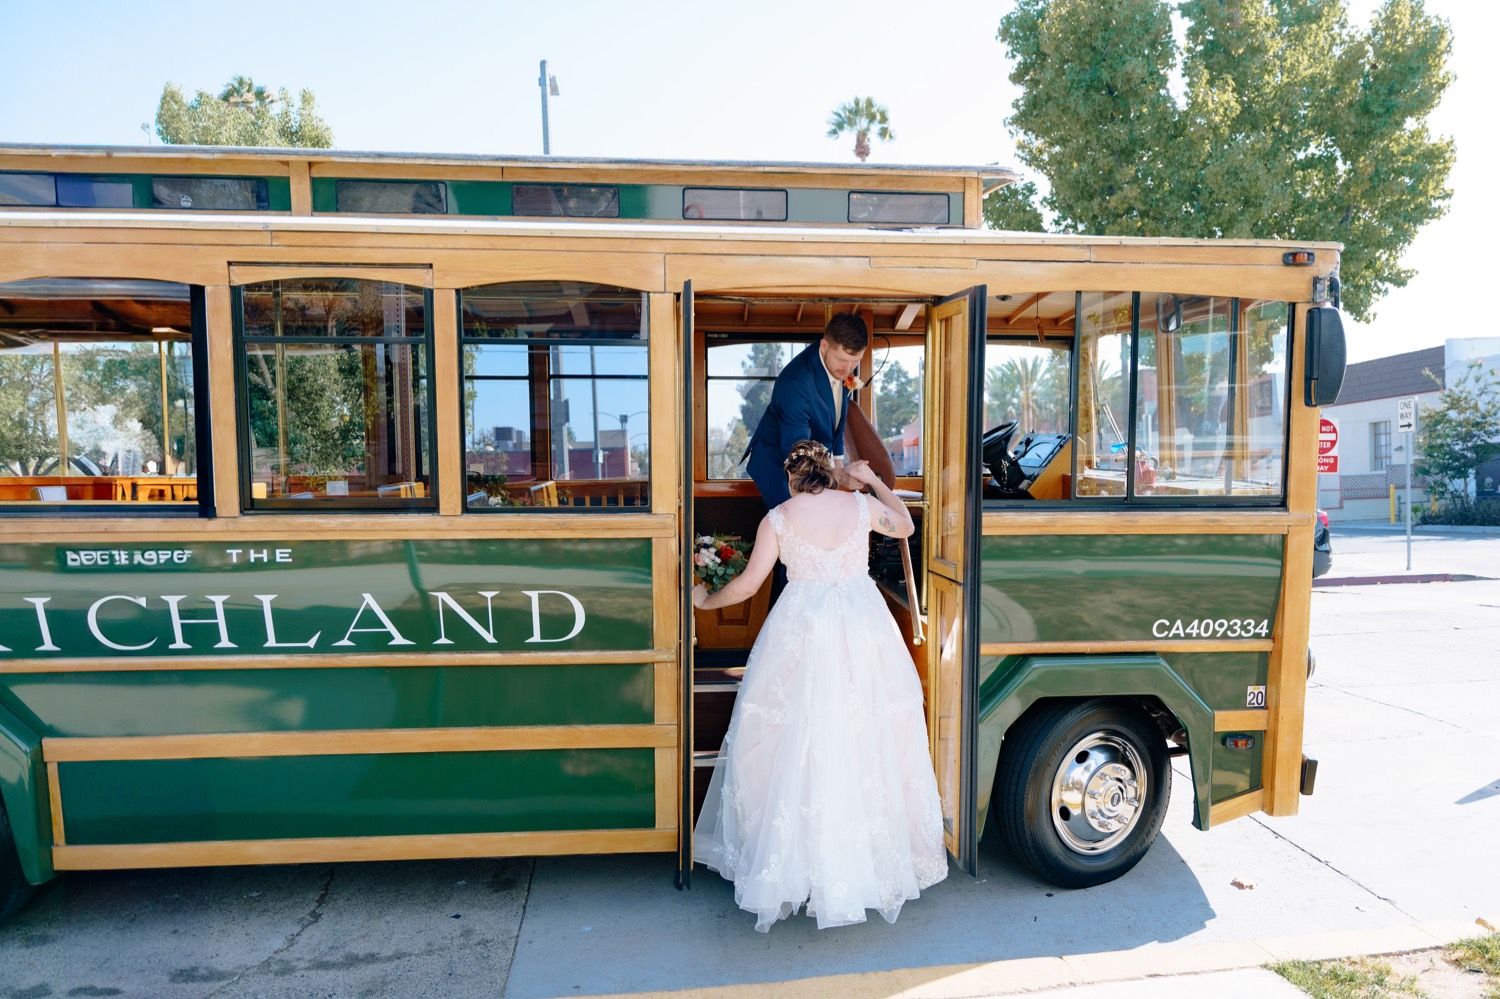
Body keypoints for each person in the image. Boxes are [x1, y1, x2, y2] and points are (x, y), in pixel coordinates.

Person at [692, 440, 947, 932]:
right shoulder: (860, 504)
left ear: (791, 478)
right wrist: (872, 480)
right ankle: (867, 863)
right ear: (830, 473)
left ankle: (798, 867)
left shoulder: (778, 519)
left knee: (792, 738)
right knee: (866, 732)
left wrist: (705, 602)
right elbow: (907, 526)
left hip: (802, 628)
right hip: (862, 623)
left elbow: (747, 586)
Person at [742, 312, 869, 509]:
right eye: (843, 359)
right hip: (781, 467)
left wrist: (839, 468)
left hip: (814, 462)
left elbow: (836, 425)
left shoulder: (838, 368)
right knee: (796, 527)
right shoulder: (796, 383)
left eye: (855, 361)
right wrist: (839, 477)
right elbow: (797, 453)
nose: (848, 368)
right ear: (824, 345)